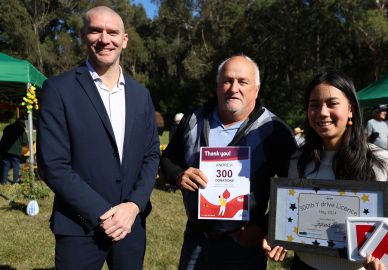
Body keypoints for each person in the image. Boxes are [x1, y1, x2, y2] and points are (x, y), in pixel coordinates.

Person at [36, 6, 160, 270]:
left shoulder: (141, 95)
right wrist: (104, 214)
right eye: (96, 31)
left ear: (124, 40)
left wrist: (133, 206)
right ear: (83, 36)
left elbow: (151, 155)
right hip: (79, 226)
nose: (105, 39)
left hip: (130, 225)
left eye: (113, 32)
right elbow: (53, 165)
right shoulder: (58, 90)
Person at [263, 71, 388, 270]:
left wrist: (379, 251)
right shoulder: (298, 160)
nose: (322, 112)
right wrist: (276, 238)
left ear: (351, 110)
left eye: (332, 103)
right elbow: (289, 216)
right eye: (314, 105)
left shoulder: (382, 162)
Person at [160, 55, 297, 270]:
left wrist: (264, 226)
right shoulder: (194, 119)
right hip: (196, 237)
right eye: (227, 80)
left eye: (243, 82)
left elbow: (294, 187)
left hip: (243, 244)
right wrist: (178, 174)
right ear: (217, 86)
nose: (234, 88)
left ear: (257, 89)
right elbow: (168, 158)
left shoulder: (274, 130)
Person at [0, 119, 28, 184]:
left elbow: (3, 138)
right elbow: (25, 142)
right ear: (21, 124)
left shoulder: (7, 127)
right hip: (15, 150)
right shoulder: (21, 129)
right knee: (16, 165)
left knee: (6, 165)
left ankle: (4, 182)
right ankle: (15, 182)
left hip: (5, 149)